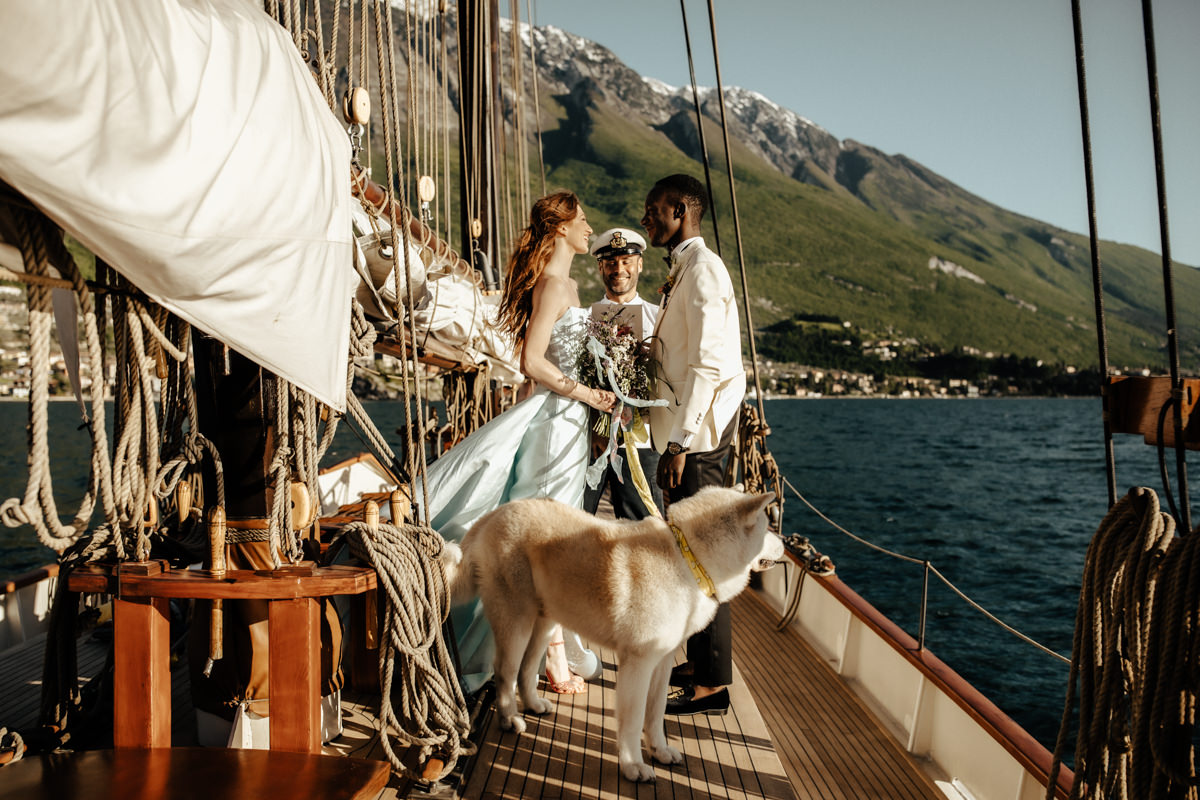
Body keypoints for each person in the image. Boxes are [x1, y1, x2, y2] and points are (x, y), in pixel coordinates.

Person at [417, 191, 616, 695]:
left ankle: (537, 654)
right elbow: (531, 362)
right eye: (583, 220)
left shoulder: (566, 284)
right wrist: (588, 393)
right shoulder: (553, 286)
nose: (589, 228)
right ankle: (549, 663)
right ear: (560, 229)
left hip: (568, 422)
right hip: (558, 424)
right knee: (546, 541)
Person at [641, 174, 746, 716]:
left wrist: (680, 442)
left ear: (681, 210)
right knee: (692, 557)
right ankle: (702, 661)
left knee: (705, 559)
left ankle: (710, 685)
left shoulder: (703, 271)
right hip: (691, 436)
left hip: (699, 442)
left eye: (653, 210)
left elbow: (708, 365)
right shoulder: (688, 270)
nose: (646, 220)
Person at [582, 227, 664, 520]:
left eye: (626, 260)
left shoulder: (660, 318)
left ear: (640, 264)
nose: (619, 269)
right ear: (600, 267)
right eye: (611, 262)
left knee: (642, 524)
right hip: (589, 439)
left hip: (641, 440)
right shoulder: (583, 320)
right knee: (577, 518)